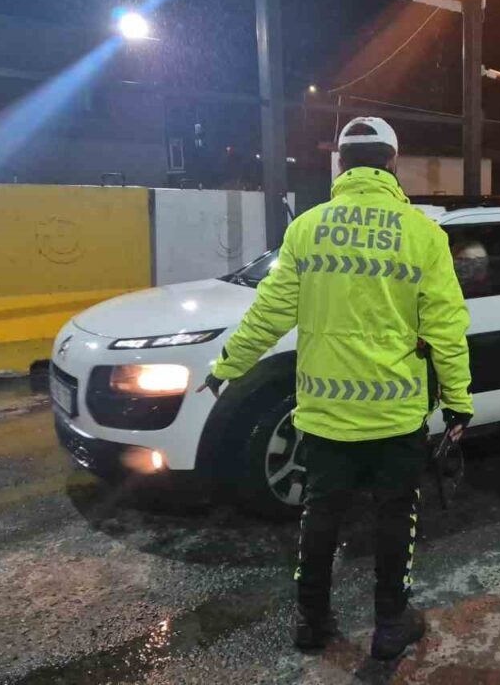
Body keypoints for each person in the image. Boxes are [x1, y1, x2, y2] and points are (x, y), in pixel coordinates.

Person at [198, 116, 474, 659]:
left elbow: (268, 314)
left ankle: (312, 622)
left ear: (340, 163)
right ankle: (390, 625)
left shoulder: (307, 229)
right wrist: (458, 401)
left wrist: (227, 366)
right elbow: (446, 327)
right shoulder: (423, 234)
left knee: (320, 515)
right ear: (393, 162)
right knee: (396, 517)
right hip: (395, 416)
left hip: (325, 414)